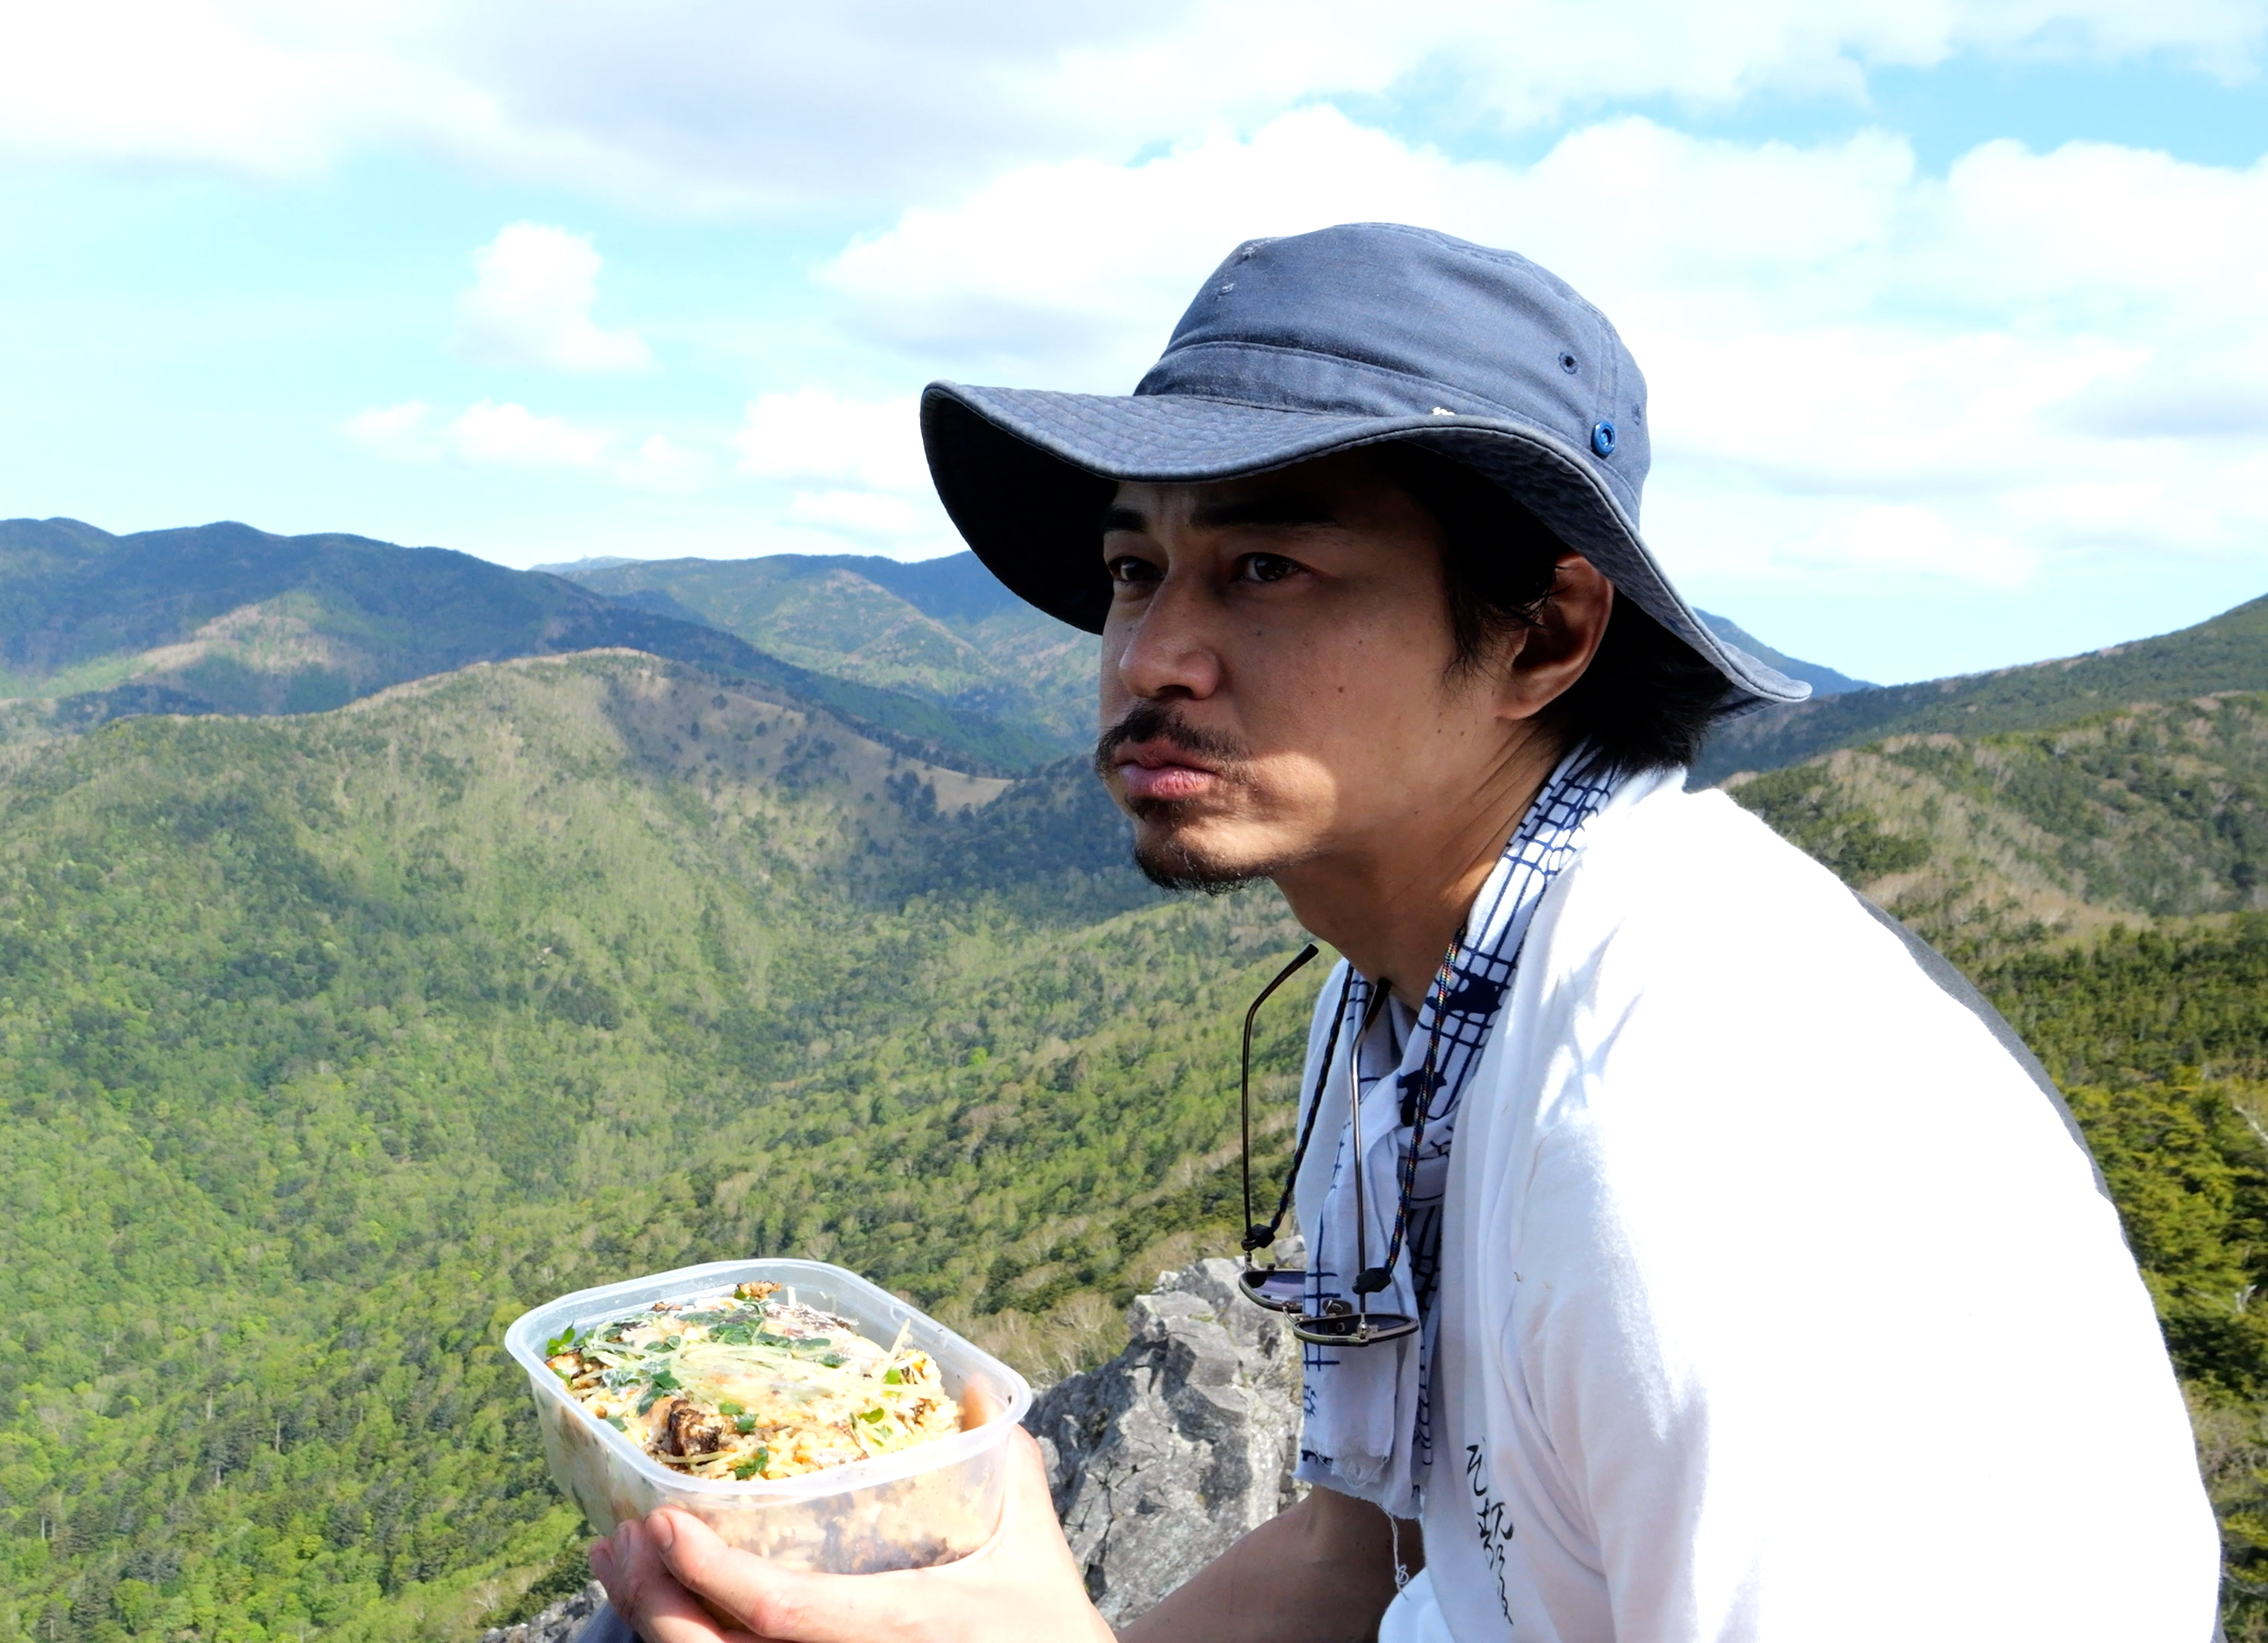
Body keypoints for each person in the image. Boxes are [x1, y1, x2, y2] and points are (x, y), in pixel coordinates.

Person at [589, 224, 2216, 1641]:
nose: (1156, 653)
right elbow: (1376, 1553)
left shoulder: (1705, 1123)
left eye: (1269, 568)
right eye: (1134, 569)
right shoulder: (1398, 1000)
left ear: (1546, 632)